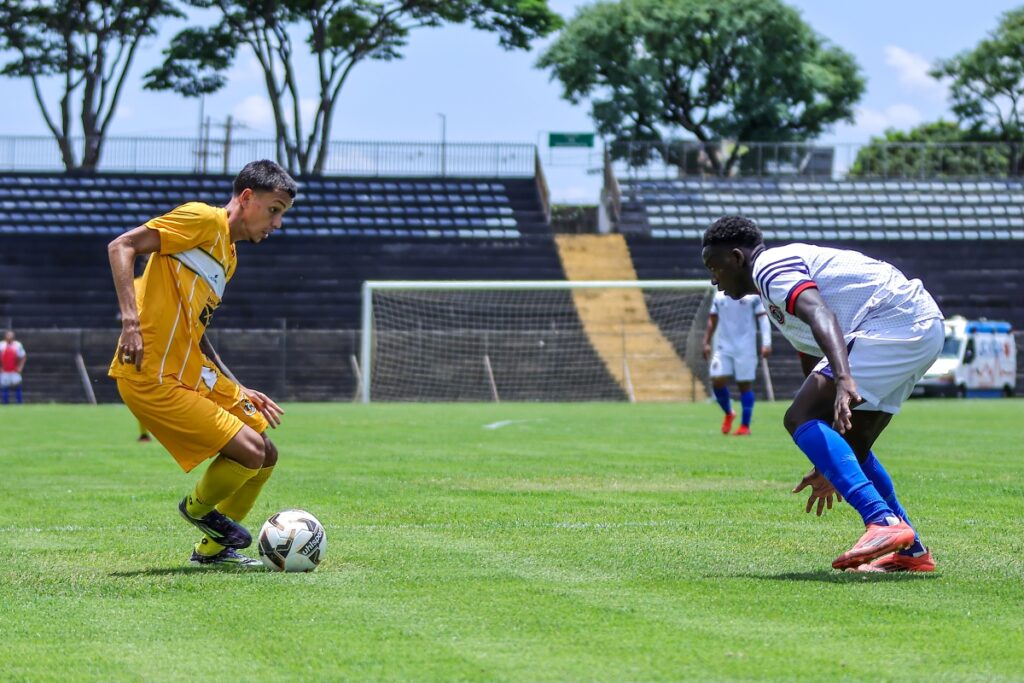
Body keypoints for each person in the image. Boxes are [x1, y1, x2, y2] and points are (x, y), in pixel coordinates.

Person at [701, 215, 943, 573]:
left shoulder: (769, 267)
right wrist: (828, 460)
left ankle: (882, 521)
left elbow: (820, 313)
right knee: (854, 444)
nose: (713, 279)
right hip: (918, 327)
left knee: (796, 417)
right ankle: (912, 552)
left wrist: (843, 378)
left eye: (714, 267)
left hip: (893, 322)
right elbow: (813, 357)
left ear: (736, 257)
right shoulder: (774, 295)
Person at [107, 159, 297, 568]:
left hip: (189, 369)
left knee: (266, 452)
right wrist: (130, 322)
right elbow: (121, 246)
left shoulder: (229, 257)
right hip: (151, 375)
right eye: (274, 210)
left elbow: (197, 327)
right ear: (247, 197)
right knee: (249, 451)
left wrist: (236, 384)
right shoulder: (201, 219)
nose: (277, 223)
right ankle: (196, 511)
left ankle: (213, 552)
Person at [702, 292, 772, 435]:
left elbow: (763, 318)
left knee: (744, 385)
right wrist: (706, 342)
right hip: (724, 347)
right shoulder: (719, 296)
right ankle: (729, 413)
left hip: (746, 347)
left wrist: (767, 343)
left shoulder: (752, 296)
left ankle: (745, 426)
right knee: (717, 380)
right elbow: (712, 319)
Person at [1, 330, 27, 404]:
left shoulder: (18, 345)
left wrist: (20, 367)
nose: (9, 337)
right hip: (5, 370)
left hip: (15, 370)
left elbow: (23, 357)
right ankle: (5, 403)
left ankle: (19, 403)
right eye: (8, 335)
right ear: (5, 336)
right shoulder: (1, 345)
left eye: (11, 335)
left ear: (13, 336)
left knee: (17, 385)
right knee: (4, 386)